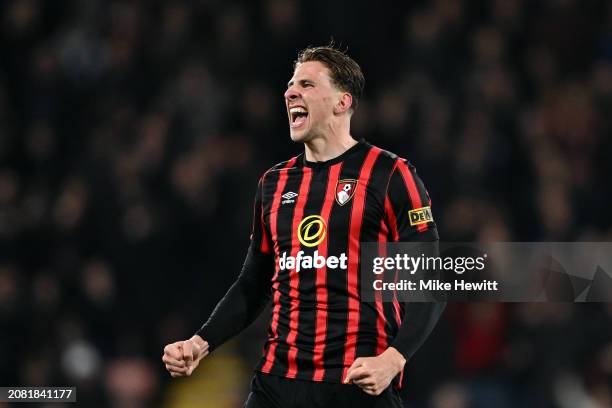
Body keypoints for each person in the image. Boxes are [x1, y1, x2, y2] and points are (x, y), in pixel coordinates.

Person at [162, 45, 445, 407]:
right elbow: (253, 283)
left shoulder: (389, 174)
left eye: (307, 84)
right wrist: (200, 343)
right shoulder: (274, 183)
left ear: (342, 102)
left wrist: (392, 359)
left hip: (356, 381)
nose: (290, 92)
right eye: (291, 84)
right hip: (277, 382)